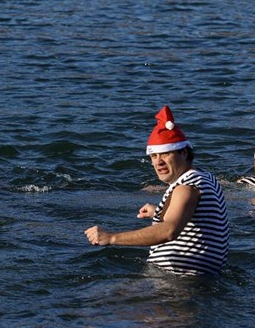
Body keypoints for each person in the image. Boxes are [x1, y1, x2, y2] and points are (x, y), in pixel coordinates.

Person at [84, 106, 229, 276]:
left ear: (183, 153)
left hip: (178, 280)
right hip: (194, 277)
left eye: (165, 154)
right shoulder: (205, 178)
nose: (158, 162)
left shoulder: (186, 188)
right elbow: (199, 217)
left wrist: (111, 237)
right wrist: (159, 212)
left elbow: (169, 231)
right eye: (154, 156)